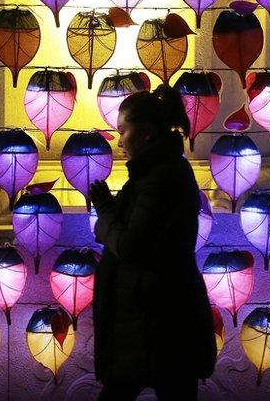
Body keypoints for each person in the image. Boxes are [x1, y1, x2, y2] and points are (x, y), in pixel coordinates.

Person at [89, 84, 217, 400]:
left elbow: (134, 246)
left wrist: (105, 218)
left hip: (157, 322)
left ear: (145, 133)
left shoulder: (160, 178)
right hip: (152, 319)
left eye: (123, 131)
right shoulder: (154, 174)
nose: (119, 141)